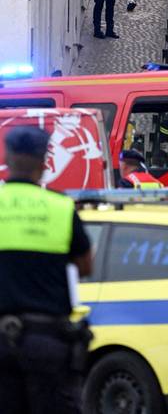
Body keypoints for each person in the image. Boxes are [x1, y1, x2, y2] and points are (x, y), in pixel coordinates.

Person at [0, 126, 92, 413]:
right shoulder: (61, 207)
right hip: (47, 342)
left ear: (8, 159)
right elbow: (85, 266)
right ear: (43, 165)